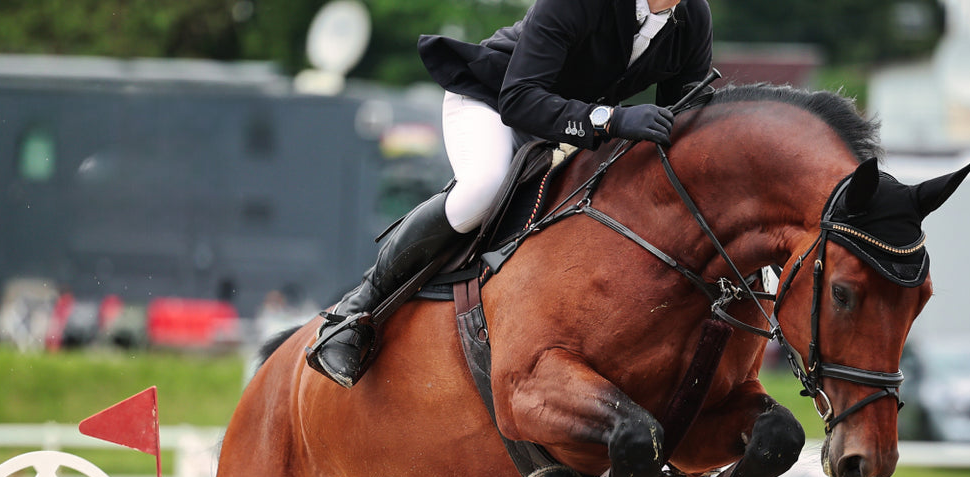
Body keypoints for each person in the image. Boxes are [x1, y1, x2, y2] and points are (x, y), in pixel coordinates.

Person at [306, 0, 714, 388]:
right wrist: (612, 119)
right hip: (492, 101)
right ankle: (355, 309)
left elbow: (686, 120)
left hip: (560, 127)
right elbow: (518, 99)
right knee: (483, 187)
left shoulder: (692, 18)